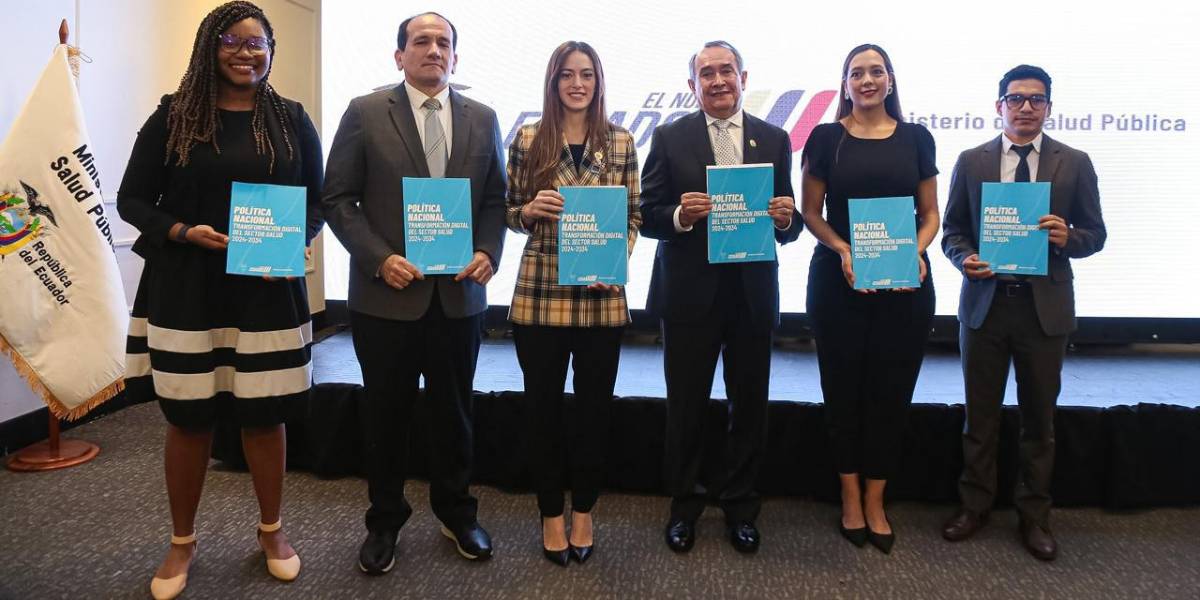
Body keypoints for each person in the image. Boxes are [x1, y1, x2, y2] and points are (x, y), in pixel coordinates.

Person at [117, 2, 323, 598]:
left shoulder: (291, 118)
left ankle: (272, 532)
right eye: (231, 41)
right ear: (209, 47)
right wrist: (183, 231)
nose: (244, 52)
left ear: (271, 52)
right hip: (188, 288)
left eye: (257, 43)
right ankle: (181, 542)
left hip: (266, 290)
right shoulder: (174, 115)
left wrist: (297, 242)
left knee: (264, 414)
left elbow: (317, 200)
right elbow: (132, 200)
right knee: (189, 418)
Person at [321, 12, 507, 574]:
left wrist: (488, 250)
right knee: (386, 418)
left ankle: (457, 512)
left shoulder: (483, 117)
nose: (433, 50)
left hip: (458, 298)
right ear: (399, 55)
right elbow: (338, 198)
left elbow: (494, 200)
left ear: (456, 56)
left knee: (455, 414)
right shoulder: (365, 112)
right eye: (421, 41)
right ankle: (384, 522)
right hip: (386, 299)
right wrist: (379, 259)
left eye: (443, 42)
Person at [640, 40, 802, 554]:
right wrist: (680, 216)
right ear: (692, 85)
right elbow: (647, 214)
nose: (717, 81)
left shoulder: (774, 139)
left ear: (743, 78)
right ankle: (684, 506)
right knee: (685, 407)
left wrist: (786, 220)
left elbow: (789, 221)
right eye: (706, 73)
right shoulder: (669, 137)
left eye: (726, 70)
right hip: (690, 297)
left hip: (751, 295)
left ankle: (740, 505)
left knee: (749, 407)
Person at [941, 64, 1106, 561]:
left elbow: (1095, 235)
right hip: (986, 307)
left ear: (1049, 107)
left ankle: (1034, 516)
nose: (1026, 107)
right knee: (980, 418)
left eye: (1036, 99)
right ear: (1000, 106)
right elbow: (952, 231)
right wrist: (964, 259)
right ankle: (974, 506)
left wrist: (1068, 237)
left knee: (1039, 421)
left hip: (1044, 311)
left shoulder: (1074, 162)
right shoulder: (971, 161)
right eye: (1016, 98)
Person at [504, 41, 641, 567]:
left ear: (598, 81)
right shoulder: (528, 138)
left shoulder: (621, 140)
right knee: (542, 413)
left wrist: (615, 259)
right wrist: (528, 211)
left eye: (586, 74)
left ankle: (583, 510)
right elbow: (509, 211)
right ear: (553, 81)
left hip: (601, 296)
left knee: (593, 413)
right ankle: (550, 514)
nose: (577, 84)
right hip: (541, 294)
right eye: (567, 74)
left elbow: (633, 216)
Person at [799, 43, 939, 554]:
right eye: (856, 73)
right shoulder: (825, 137)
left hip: (904, 285)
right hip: (839, 283)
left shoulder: (917, 138)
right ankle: (850, 495)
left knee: (891, 393)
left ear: (890, 80)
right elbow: (810, 212)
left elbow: (930, 214)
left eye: (876, 71)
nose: (867, 80)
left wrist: (914, 252)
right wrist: (842, 249)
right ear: (845, 84)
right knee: (842, 391)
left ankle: (876, 497)